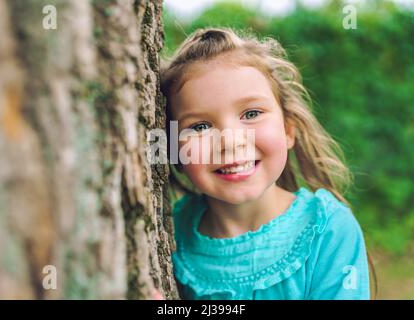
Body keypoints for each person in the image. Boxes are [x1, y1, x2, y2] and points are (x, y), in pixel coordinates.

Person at [159, 27, 372, 300]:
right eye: (200, 126)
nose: (231, 141)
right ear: (175, 150)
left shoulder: (327, 230)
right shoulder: (174, 232)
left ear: (288, 129)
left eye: (251, 113)